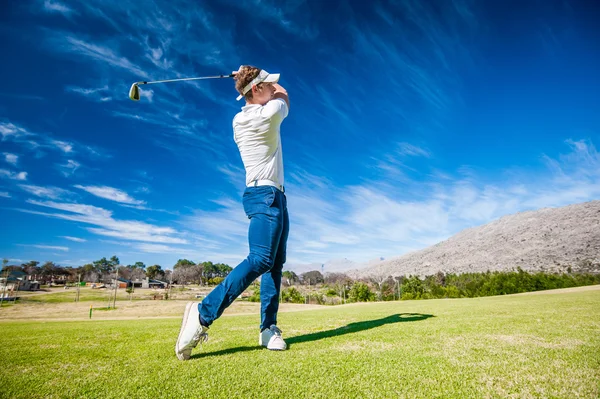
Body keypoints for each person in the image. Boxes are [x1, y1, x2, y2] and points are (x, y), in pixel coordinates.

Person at [175, 65, 290, 361]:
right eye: (267, 85)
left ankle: (268, 327)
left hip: (274, 194)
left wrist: (250, 77)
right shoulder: (268, 114)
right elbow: (284, 95)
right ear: (256, 91)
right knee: (261, 258)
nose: (273, 87)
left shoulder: (239, 118)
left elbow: (267, 92)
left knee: (275, 264)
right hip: (263, 194)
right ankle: (202, 313)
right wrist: (256, 75)